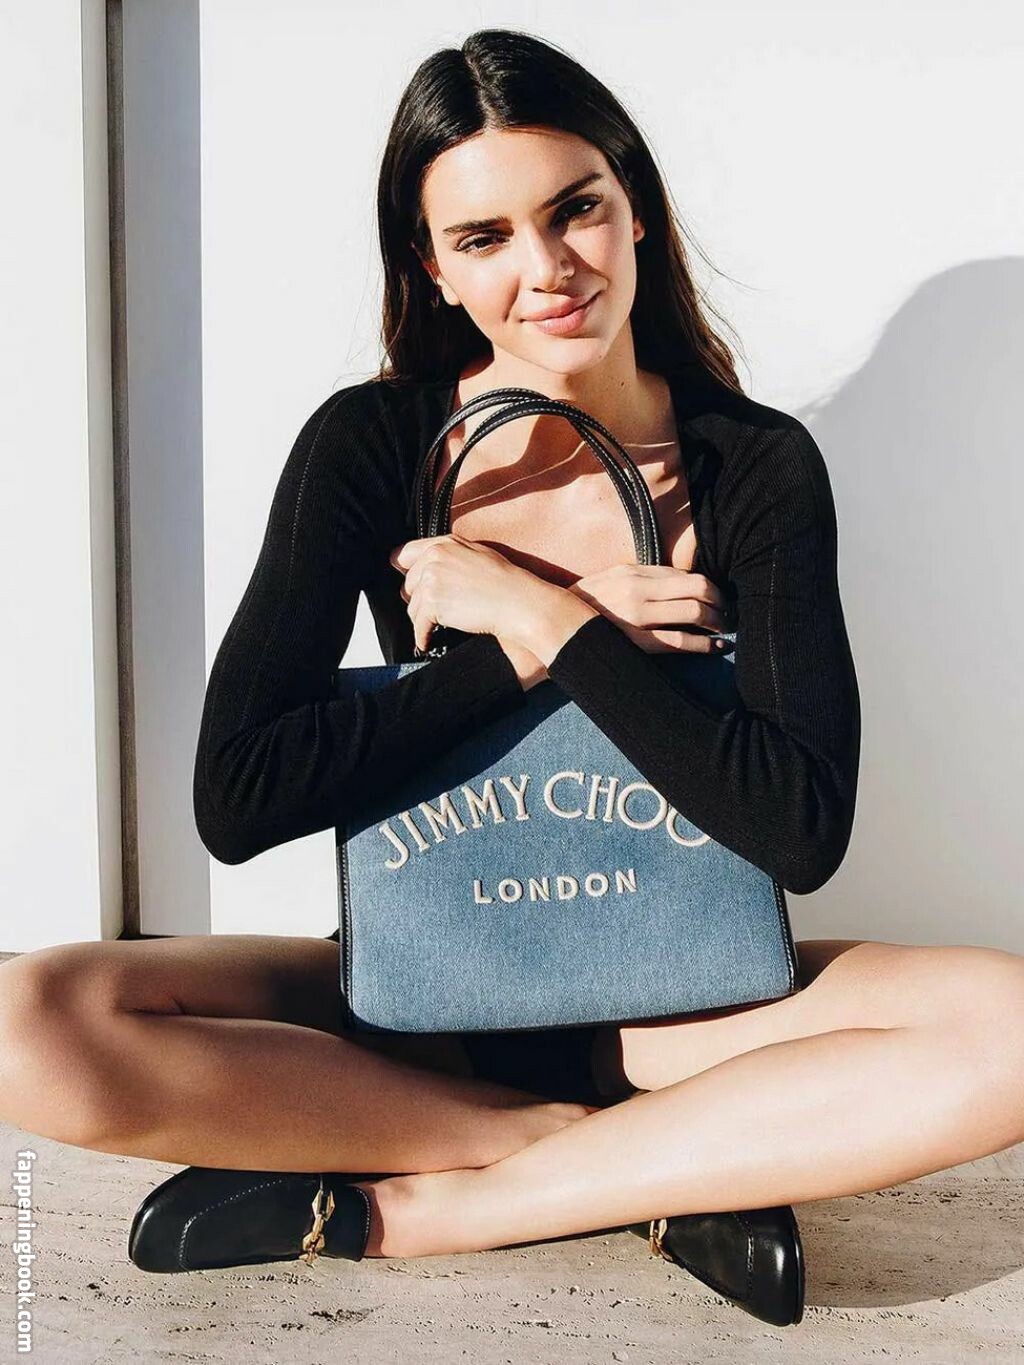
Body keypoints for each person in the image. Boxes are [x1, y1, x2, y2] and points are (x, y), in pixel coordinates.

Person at [2, 27, 1022, 1331]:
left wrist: (547, 612)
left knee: (1010, 1027)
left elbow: (800, 827)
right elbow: (237, 798)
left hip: (687, 1003)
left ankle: (428, 1207)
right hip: (426, 988)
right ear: (433, 268)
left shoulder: (750, 464)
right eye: (484, 237)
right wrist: (517, 655)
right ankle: (640, 1159)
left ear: (635, 208)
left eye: (575, 210)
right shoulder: (379, 445)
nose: (547, 269)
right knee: (30, 1019)